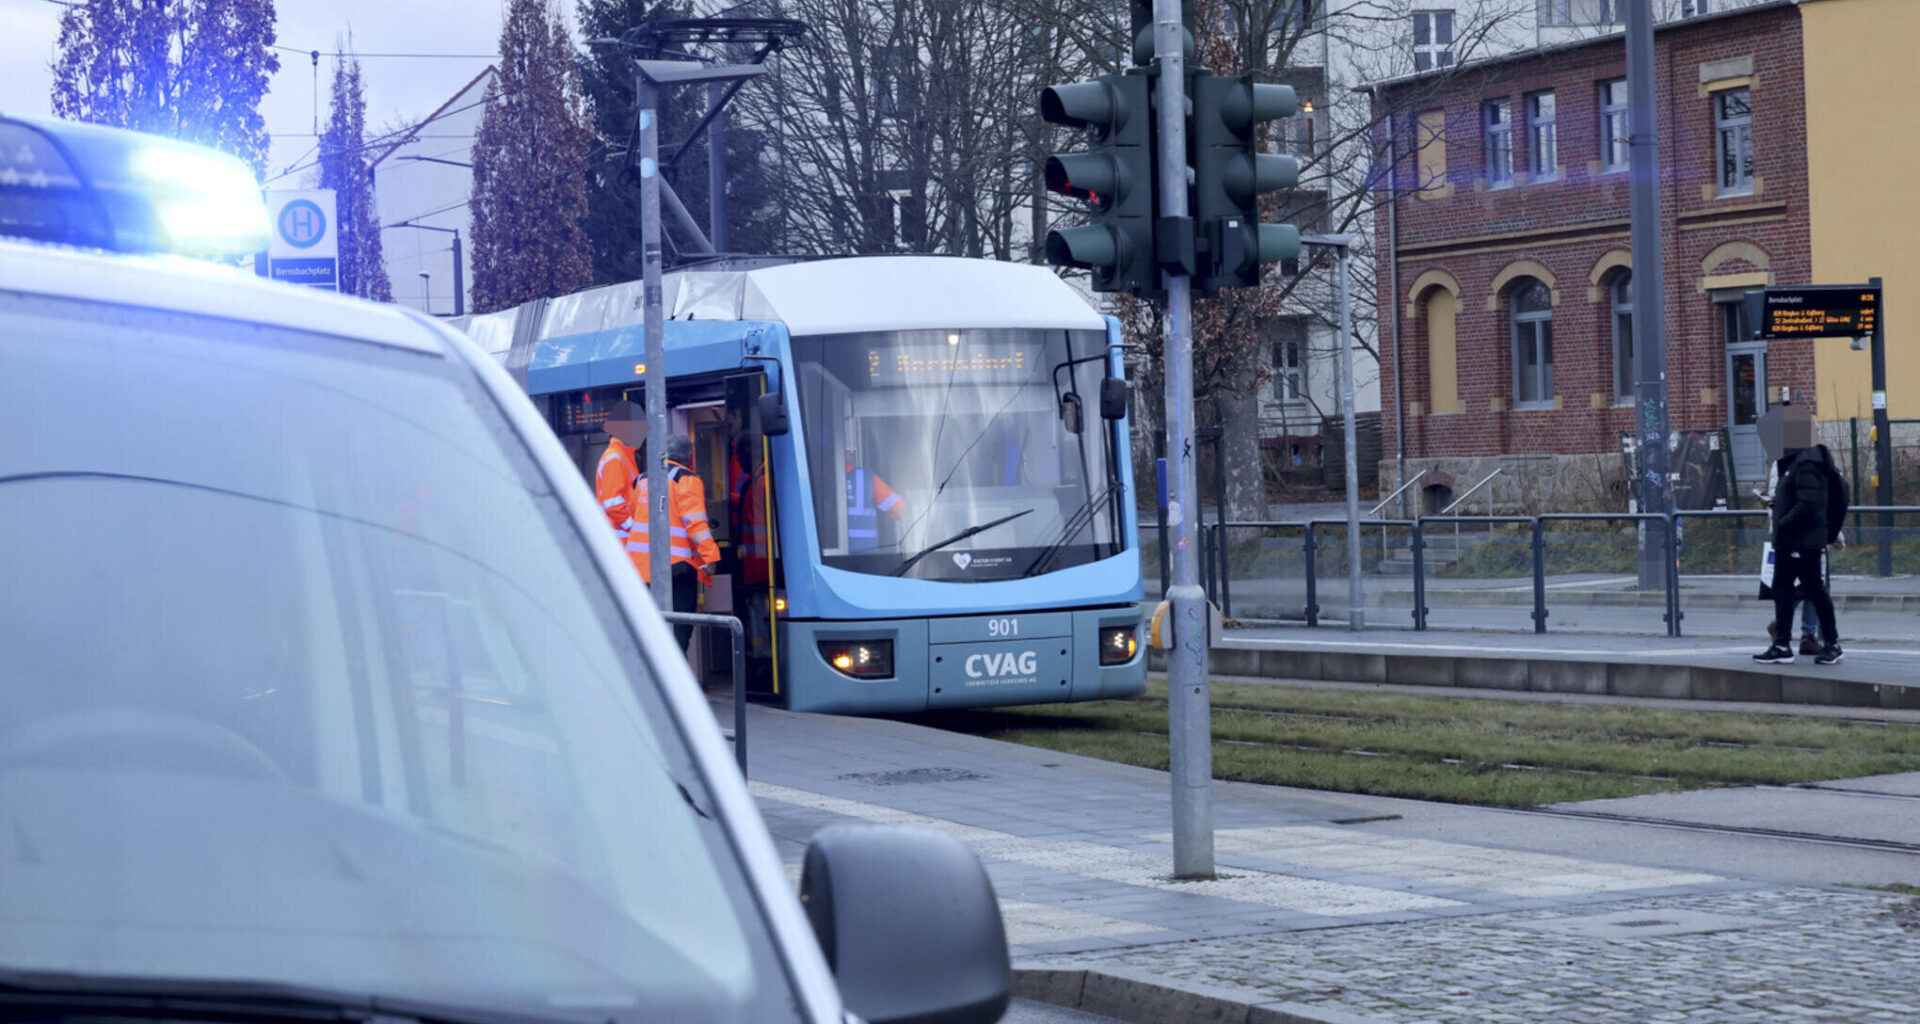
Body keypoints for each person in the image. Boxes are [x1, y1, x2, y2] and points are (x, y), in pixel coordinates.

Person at [1754, 410, 1848, 666]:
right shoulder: (1794, 461)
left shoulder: (1808, 463)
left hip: (1803, 539)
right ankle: (1782, 644)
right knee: (1784, 591)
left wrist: (1783, 521)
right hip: (1791, 539)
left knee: (1814, 590)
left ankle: (1832, 643)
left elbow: (1809, 502)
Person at [643, 434, 721, 648]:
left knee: (652, 635)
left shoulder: (642, 479)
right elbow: (695, 523)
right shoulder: (686, 480)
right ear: (690, 457)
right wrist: (711, 557)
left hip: (642, 571)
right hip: (677, 569)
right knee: (678, 635)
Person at [594, 402, 648, 576]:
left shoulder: (623, 456)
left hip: (622, 543)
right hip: (621, 543)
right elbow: (614, 504)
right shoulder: (615, 459)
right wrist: (634, 530)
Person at [845, 459, 906, 553]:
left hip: (826, 559)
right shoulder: (865, 478)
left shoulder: (817, 479)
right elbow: (900, 509)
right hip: (867, 558)